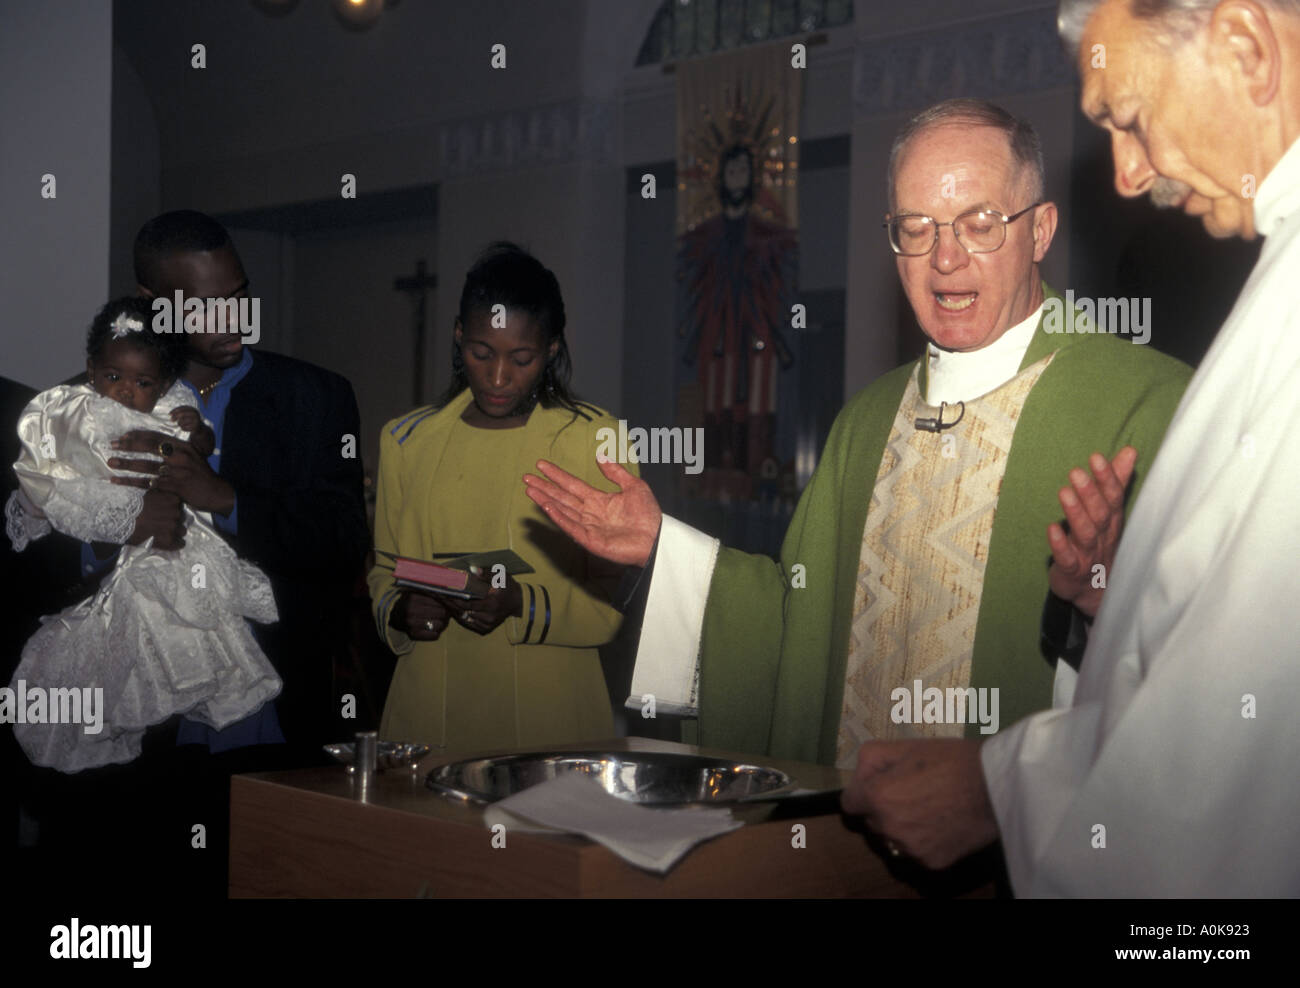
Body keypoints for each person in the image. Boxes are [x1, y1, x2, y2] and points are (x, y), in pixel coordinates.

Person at [523, 99, 1192, 771]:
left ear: (1040, 230)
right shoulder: (867, 422)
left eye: (980, 224)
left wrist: (1102, 605)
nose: (946, 259)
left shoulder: (1146, 405)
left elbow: (1217, 676)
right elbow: (802, 631)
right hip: (849, 843)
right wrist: (664, 548)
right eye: (916, 227)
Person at [833, 0, 1300, 896]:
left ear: (1244, 46)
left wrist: (998, 788)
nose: (1125, 176)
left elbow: (1241, 757)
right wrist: (1113, 602)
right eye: (916, 231)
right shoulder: (862, 425)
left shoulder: (1142, 390)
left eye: (1128, 119)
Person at [368, 242, 632, 752]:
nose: (496, 377)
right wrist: (401, 609)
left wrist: (520, 602)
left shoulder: (594, 441)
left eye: (521, 359)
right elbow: (385, 570)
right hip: (428, 718)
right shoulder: (406, 440)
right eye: (481, 353)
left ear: (552, 349)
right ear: (458, 336)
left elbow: (614, 597)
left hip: (547, 717)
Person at [7, 296, 281, 772]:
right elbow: (51, 481)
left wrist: (196, 437)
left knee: (187, 617)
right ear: (92, 369)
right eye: (113, 377)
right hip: (102, 523)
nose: (125, 391)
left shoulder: (171, 405)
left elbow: (199, 445)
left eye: (142, 382)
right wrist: (119, 526)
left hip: (175, 541)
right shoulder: (67, 410)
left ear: (162, 382)